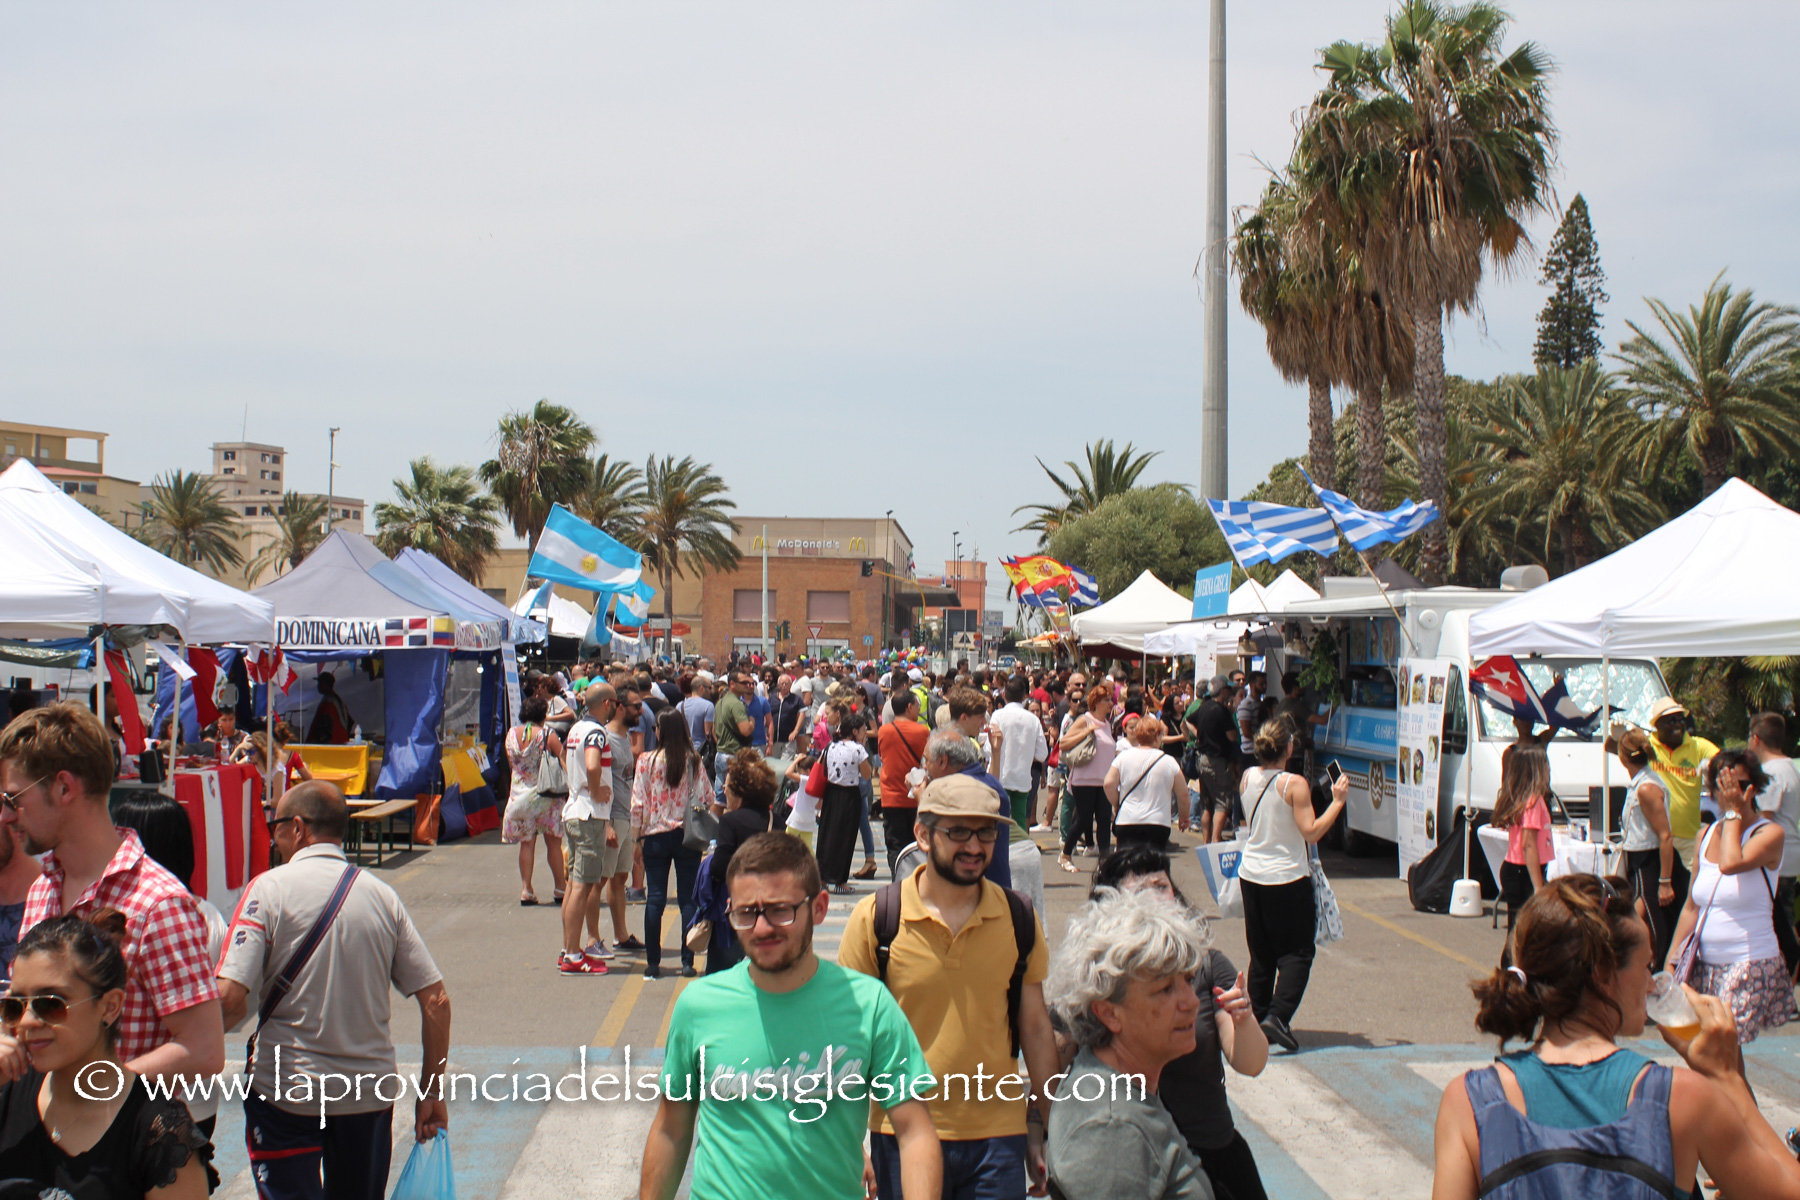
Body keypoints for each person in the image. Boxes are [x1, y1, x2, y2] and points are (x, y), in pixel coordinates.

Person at [1431, 874, 1800, 1200]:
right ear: (1604, 974)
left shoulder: (1469, 1101)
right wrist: (1726, 1077)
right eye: (1646, 966)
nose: (1652, 983)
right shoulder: (1682, 1100)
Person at [639, 832, 942, 1200]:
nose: (762, 928)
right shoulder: (698, 1006)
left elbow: (914, 1132)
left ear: (819, 908)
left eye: (780, 910)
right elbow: (671, 1130)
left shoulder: (869, 1005)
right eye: (747, 913)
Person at [217, 780, 450, 1200]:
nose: (272, 838)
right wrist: (431, 1090)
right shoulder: (382, 897)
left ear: (298, 828)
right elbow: (436, 1000)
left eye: (275, 826)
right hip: (366, 1096)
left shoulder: (267, 889)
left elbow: (231, 1000)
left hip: (286, 1094)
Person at [839, 775, 1057, 1200]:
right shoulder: (877, 918)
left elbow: (1034, 1026)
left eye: (986, 832)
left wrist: (1043, 1127)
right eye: (958, 832)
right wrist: (850, 1140)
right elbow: (850, 1036)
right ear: (923, 835)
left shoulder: (1018, 917)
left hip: (998, 1137)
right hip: (901, 1131)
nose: (974, 846)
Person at [0, 704, 225, 1094]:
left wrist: (90, 1093)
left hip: (112, 1129)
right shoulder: (43, 886)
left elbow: (203, 1049)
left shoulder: (158, 904)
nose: (7, 815)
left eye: (13, 797)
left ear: (64, 788)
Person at [1091, 846, 1268, 1200]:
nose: (1156, 897)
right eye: (1141, 890)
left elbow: (1250, 1063)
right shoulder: (1098, 978)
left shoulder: (1208, 966)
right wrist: (1038, 1126)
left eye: (1162, 886)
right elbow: (1056, 1051)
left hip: (1213, 1156)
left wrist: (1244, 1019)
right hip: (1132, 1159)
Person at [0, 910, 216, 1198]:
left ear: (110, 1006)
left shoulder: (159, 1132)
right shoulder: (7, 1094)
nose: (27, 1021)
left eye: (50, 1003)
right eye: (15, 1005)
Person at [1042, 886, 1216, 1200]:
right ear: (1109, 1013)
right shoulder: (1111, 1128)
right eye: (1165, 989)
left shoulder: (1117, 1087)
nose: (1191, 1002)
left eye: (1188, 980)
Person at [1663, 750, 1792, 1047]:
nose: (1732, 792)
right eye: (1724, 784)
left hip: (1749, 961)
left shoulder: (1769, 833)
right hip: (1705, 963)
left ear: (1754, 789)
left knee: (1721, 1048)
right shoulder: (1705, 835)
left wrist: (1733, 813)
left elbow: (1731, 863)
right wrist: (1671, 960)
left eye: (1740, 784)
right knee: (1706, 1049)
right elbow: (1692, 906)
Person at [1238, 718, 1347, 1053]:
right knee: (1298, 952)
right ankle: (1278, 1016)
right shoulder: (1294, 785)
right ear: (1288, 748)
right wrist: (1337, 801)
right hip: (1286, 876)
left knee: (1261, 954)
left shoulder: (1247, 777)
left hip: (1251, 873)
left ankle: (1259, 1018)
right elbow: (1311, 831)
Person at [631, 708, 710, 980]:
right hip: (687, 836)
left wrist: (636, 839)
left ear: (660, 731)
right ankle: (688, 961)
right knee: (688, 900)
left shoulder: (646, 760)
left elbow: (638, 803)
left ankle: (653, 963)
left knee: (655, 899)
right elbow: (707, 796)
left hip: (654, 835)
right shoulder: (693, 760)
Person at [557, 685, 615, 976]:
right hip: (589, 814)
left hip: (575, 809)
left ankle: (569, 948)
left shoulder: (576, 728)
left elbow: (566, 758)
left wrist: (581, 786)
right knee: (582, 885)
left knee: (573, 884)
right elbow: (592, 765)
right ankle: (572, 954)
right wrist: (594, 790)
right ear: (606, 703)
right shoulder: (596, 732)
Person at [1617, 729, 1682, 966]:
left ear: (1623, 758)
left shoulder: (1646, 788)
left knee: (1656, 924)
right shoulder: (1641, 783)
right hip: (1639, 859)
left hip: (1650, 860)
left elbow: (1665, 835)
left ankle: (1660, 968)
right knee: (1645, 917)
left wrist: (1665, 881)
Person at [706, 751, 775, 974]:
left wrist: (708, 862)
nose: (724, 790)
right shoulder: (776, 820)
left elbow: (720, 868)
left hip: (738, 907)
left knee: (723, 972)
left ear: (739, 792)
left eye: (727, 786)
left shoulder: (730, 821)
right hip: (770, 905)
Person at [1747, 711, 1800, 974]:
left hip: (1774, 860)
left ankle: (1784, 980)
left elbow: (1764, 819)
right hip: (1790, 856)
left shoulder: (1770, 773)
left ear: (1756, 739)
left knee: (1777, 926)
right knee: (1786, 920)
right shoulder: (1790, 768)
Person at [502, 695, 568, 907]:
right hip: (545, 795)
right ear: (543, 714)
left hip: (519, 797)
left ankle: (526, 889)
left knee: (527, 843)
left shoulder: (511, 735)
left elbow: (512, 764)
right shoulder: (547, 735)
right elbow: (564, 759)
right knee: (553, 843)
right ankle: (560, 887)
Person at [1643, 697, 1720, 875]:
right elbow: (1615, 748)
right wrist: (1615, 736)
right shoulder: (1648, 747)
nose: (1678, 724)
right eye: (1671, 720)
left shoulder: (1697, 745)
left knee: (1690, 887)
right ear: (1657, 725)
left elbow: (1724, 760)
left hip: (1688, 837)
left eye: (1680, 719)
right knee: (1661, 886)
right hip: (1656, 837)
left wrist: (1713, 763)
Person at [599, 686, 646, 958]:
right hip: (612, 817)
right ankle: (591, 940)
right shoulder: (605, 739)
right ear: (619, 707)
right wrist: (606, 824)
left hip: (625, 816)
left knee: (619, 878)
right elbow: (598, 782)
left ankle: (621, 935)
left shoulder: (625, 737)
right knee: (598, 881)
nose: (641, 711)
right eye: (636, 706)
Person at [1105, 717, 1189, 850]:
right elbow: (1183, 794)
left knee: (1127, 860)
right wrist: (1184, 817)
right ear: (1157, 736)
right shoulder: (1169, 761)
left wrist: (1117, 803)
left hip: (1127, 819)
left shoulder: (1123, 757)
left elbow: (1108, 784)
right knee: (1153, 861)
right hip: (1157, 823)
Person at [1059, 685, 1118, 873]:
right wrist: (1086, 731)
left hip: (1103, 781)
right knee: (1083, 819)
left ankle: (1104, 862)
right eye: (1107, 700)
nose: (1110, 703)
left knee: (1104, 821)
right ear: (1096, 702)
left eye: (1111, 699)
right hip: (1084, 780)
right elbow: (1063, 743)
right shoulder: (1085, 720)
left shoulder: (1107, 724)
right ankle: (1065, 855)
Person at [814, 713, 873, 894]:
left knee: (826, 835)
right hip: (849, 795)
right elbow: (867, 774)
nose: (865, 733)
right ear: (854, 731)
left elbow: (823, 767)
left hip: (831, 793)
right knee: (846, 838)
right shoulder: (858, 749)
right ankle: (840, 881)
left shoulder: (831, 745)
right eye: (863, 730)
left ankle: (821, 879)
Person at [1493, 742, 1553, 918]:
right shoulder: (1533, 800)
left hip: (1517, 870)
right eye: (1546, 764)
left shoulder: (1522, 797)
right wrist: (1538, 886)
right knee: (1524, 924)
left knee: (1518, 924)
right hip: (1523, 871)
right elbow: (1528, 844)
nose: (1549, 769)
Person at [876, 690, 931, 876]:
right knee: (918, 844)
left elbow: (883, 757)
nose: (918, 710)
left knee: (895, 845)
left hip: (891, 796)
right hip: (916, 795)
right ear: (909, 707)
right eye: (917, 706)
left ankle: (898, 880)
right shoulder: (923, 731)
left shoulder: (884, 731)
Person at [989, 675, 1048, 833]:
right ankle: (1020, 847)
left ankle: (1002, 847)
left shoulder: (998, 716)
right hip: (1022, 778)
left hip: (1001, 776)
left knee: (999, 821)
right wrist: (1026, 754)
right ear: (1024, 697)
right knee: (1020, 821)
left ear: (1004, 695)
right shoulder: (1033, 720)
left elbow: (989, 747)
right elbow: (1042, 754)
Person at [1187, 676, 1238, 845]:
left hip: (1202, 759)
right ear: (1223, 691)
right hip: (1217, 760)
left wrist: (1198, 735)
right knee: (1222, 802)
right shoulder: (1222, 710)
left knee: (1206, 803)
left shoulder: (1204, 706)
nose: (1230, 693)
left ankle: (1206, 841)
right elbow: (1232, 736)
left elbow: (1187, 721)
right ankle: (1216, 839)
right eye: (1228, 689)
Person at [713, 672, 754, 806]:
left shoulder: (720, 702)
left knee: (719, 800)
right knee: (736, 799)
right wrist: (752, 722)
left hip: (721, 754)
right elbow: (746, 730)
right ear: (732, 684)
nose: (747, 685)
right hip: (734, 756)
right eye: (743, 683)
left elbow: (714, 731)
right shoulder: (736, 704)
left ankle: (715, 820)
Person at [304, 671, 357, 745]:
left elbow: (323, 730)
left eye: (320, 683)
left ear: (326, 685)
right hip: (342, 742)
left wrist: (316, 743)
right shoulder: (337, 700)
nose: (318, 686)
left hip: (332, 745)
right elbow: (349, 722)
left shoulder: (328, 703)